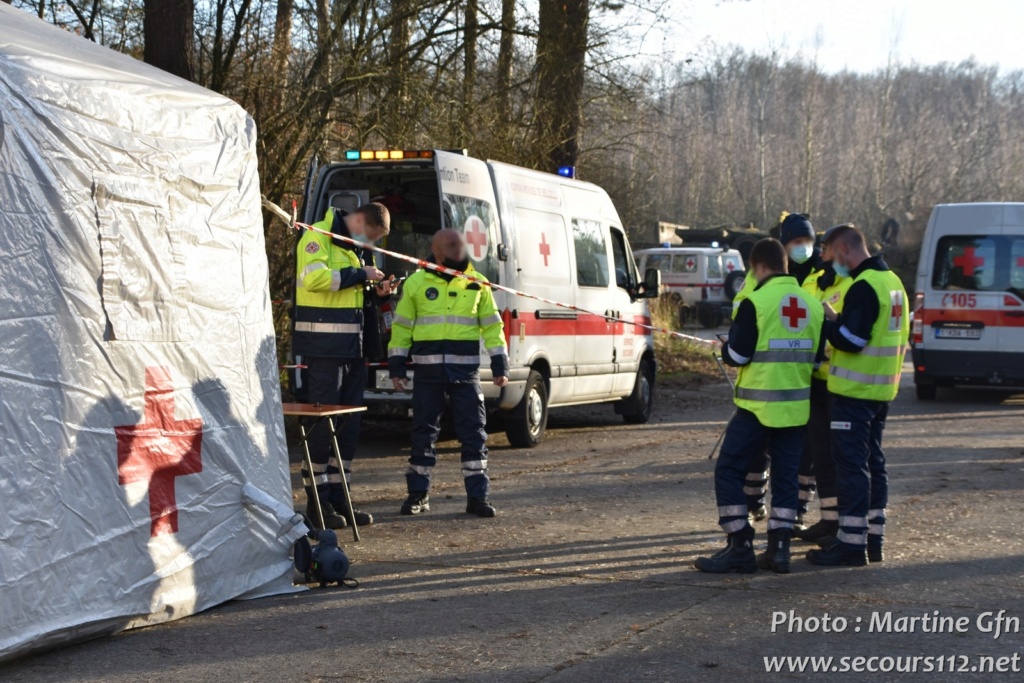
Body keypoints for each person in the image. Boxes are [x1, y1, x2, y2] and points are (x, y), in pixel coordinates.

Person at [694, 238, 823, 574]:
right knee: (786, 479)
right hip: (795, 409)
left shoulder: (756, 302)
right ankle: (779, 549)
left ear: (757, 267)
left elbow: (738, 355)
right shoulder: (813, 304)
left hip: (756, 408)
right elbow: (817, 357)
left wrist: (725, 348)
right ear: (786, 265)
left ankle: (740, 543)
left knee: (728, 470)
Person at [807, 225, 909, 567]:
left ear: (843, 250)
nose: (827, 262)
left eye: (828, 254)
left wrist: (827, 322)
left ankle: (850, 545)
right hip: (881, 391)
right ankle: (872, 539)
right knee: (873, 464)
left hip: (853, 394)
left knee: (851, 468)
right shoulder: (893, 283)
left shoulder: (863, 286)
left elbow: (851, 340)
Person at [388, 229, 509, 518]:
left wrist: (499, 364)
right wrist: (396, 366)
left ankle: (478, 497)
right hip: (427, 372)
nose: (459, 249)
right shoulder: (417, 282)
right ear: (436, 250)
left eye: (460, 244)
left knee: (473, 434)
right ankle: (418, 495)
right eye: (451, 245)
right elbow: (402, 327)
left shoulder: (477, 283)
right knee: (422, 433)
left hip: (465, 373)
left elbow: (493, 327)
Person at [293, 203, 395, 529]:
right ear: (360, 221)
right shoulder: (317, 237)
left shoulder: (355, 248)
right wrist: (360, 275)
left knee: (348, 429)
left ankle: (341, 498)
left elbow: (355, 292)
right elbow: (314, 279)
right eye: (371, 235)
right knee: (323, 426)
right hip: (324, 349)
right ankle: (317, 504)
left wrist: (378, 293)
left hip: (353, 349)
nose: (372, 244)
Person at [737, 213, 821, 524]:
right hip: (767, 375)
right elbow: (742, 308)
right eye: (797, 242)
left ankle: (796, 512)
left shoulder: (822, 274)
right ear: (784, 246)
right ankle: (755, 502)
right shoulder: (760, 273)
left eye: (808, 241)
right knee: (759, 449)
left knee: (803, 455)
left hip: (806, 378)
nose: (804, 247)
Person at [792, 226, 853, 543]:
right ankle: (828, 520)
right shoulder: (811, 281)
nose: (820, 253)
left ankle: (842, 523)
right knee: (815, 453)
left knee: (838, 455)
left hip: (840, 382)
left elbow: (852, 332)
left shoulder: (852, 282)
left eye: (824, 247)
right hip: (811, 380)